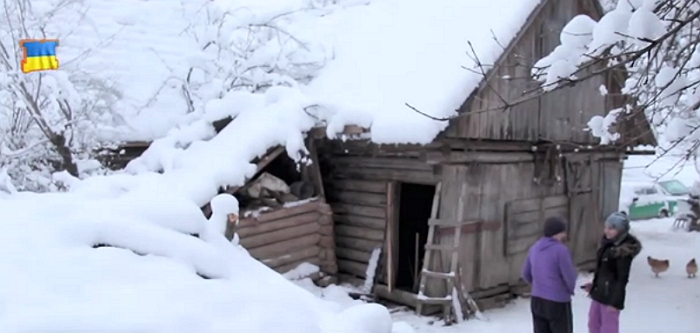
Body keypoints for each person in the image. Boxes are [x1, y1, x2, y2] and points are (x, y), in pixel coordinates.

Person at [584, 212, 642, 333]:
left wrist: (615, 303)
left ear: (621, 230)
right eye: (606, 228)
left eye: (611, 229)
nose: (607, 231)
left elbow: (622, 279)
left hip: (610, 298)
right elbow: (602, 271)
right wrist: (594, 285)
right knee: (593, 324)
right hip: (599, 294)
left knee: (608, 328)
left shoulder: (623, 252)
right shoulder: (607, 245)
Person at [521, 216, 577, 333]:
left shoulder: (534, 248)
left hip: (537, 300)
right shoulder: (561, 251)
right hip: (557, 302)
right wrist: (570, 289)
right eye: (563, 232)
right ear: (557, 233)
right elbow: (569, 276)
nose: (564, 235)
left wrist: (538, 285)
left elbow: (525, 273)